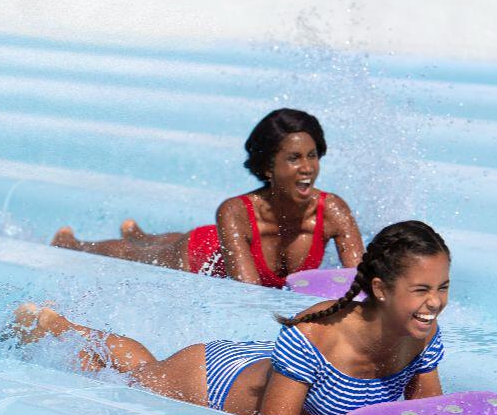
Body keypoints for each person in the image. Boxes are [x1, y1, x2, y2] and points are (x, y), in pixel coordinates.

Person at [10, 221, 449, 415]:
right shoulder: (316, 334)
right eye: (421, 289)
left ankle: (59, 325)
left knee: (137, 368)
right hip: (210, 382)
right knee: (124, 376)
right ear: (380, 289)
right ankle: (52, 326)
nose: (434, 304)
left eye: (443, 288)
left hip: (267, 366)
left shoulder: (420, 334)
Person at [50, 108, 364, 288]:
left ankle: (140, 233)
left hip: (229, 243)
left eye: (312, 156)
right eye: (294, 159)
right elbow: (248, 296)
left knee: (155, 240)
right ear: (268, 166)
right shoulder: (235, 212)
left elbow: (361, 284)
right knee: (140, 254)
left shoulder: (332, 211)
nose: (308, 168)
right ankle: (76, 244)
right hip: (199, 257)